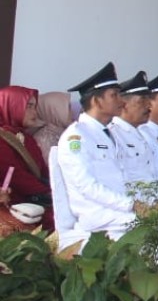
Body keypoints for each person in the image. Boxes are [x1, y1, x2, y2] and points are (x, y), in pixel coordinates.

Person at [55, 62, 139, 237]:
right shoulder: (76, 136)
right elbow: (86, 185)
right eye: (114, 95)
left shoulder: (110, 133)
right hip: (99, 216)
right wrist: (130, 204)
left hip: (120, 211)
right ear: (96, 101)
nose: (122, 101)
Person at [0, 85, 52, 230]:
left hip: (36, 198)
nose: (34, 112)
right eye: (29, 106)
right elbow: (15, 176)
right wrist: (47, 192)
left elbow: (42, 171)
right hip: (14, 202)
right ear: (12, 105)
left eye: (35, 107)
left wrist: (55, 187)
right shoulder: (2, 138)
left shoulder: (27, 138)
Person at [32, 91, 75, 158]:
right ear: (53, 111)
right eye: (67, 108)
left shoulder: (61, 130)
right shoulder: (44, 139)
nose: (72, 112)